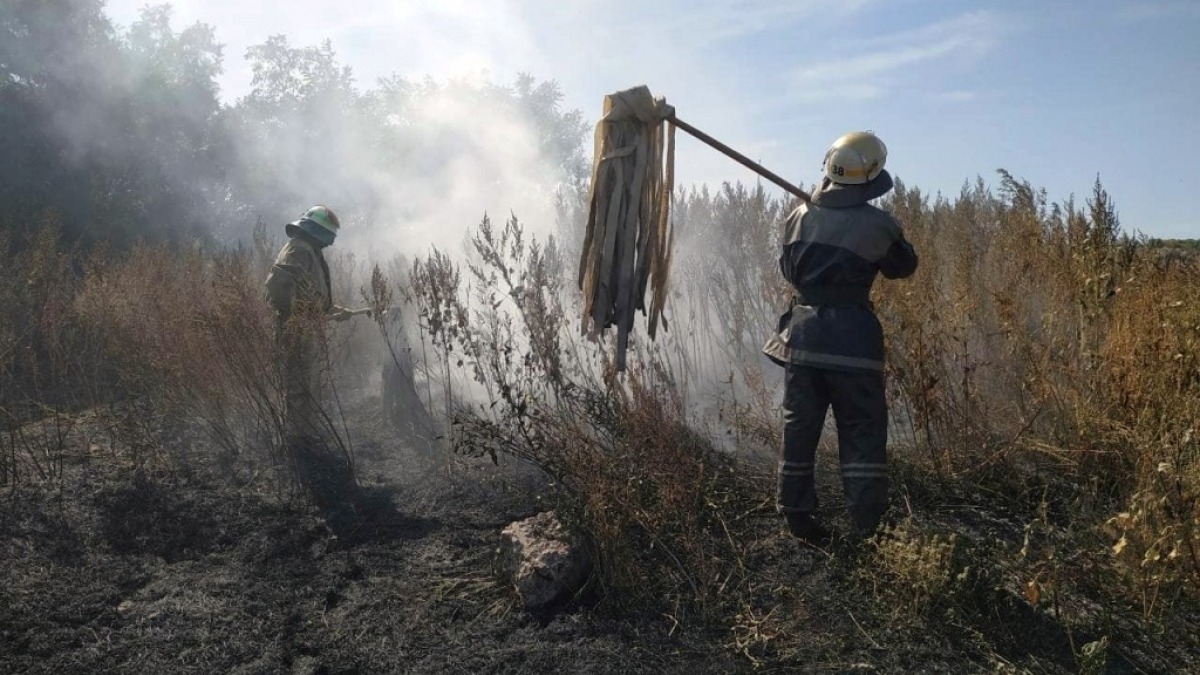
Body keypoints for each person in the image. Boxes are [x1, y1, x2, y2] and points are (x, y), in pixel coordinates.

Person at [763, 131, 918, 544]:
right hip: (853, 344)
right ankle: (867, 527)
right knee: (863, 432)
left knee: (799, 428)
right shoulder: (880, 225)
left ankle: (796, 515)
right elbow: (903, 267)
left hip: (803, 340)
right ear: (871, 173)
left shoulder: (798, 216)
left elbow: (788, 270)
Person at [264, 205, 356, 509]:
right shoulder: (298, 250)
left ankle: (306, 438)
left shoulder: (308, 251)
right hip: (296, 332)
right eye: (329, 235)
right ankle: (298, 446)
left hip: (306, 329)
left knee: (308, 386)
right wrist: (302, 318)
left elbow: (310, 295)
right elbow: (280, 293)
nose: (331, 241)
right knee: (298, 388)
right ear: (318, 232)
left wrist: (331, 311)